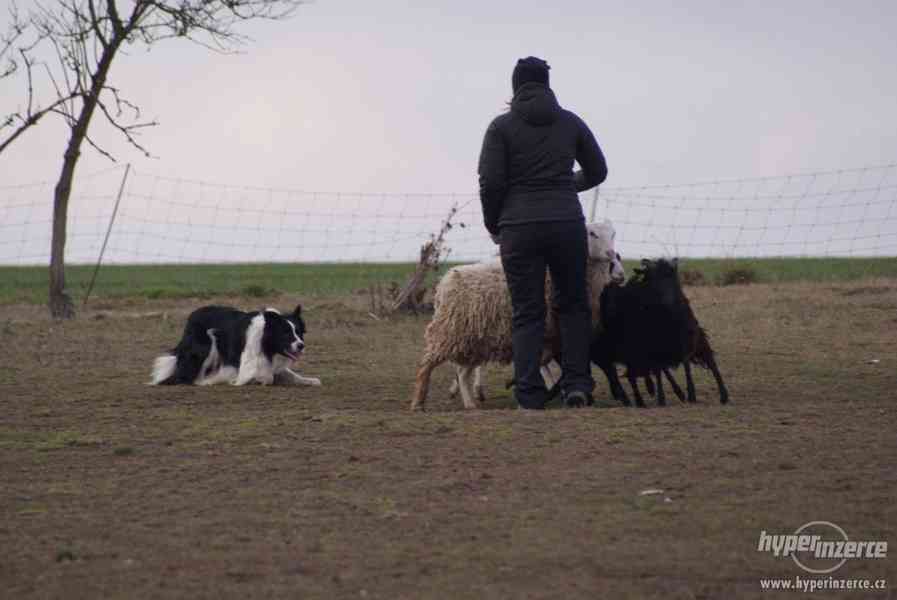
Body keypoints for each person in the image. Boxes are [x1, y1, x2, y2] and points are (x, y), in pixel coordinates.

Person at [478, 56, 608, 409]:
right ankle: (578, 385)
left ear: (515, 86)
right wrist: (566, 185)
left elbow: (491, 182)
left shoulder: (500, 128)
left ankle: (530, 395)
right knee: (574, 305)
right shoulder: (570, 122)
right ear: (548, 84)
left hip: (518, 228)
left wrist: (495, 224)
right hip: (566, 224)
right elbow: (597, 171)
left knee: (527, 311)